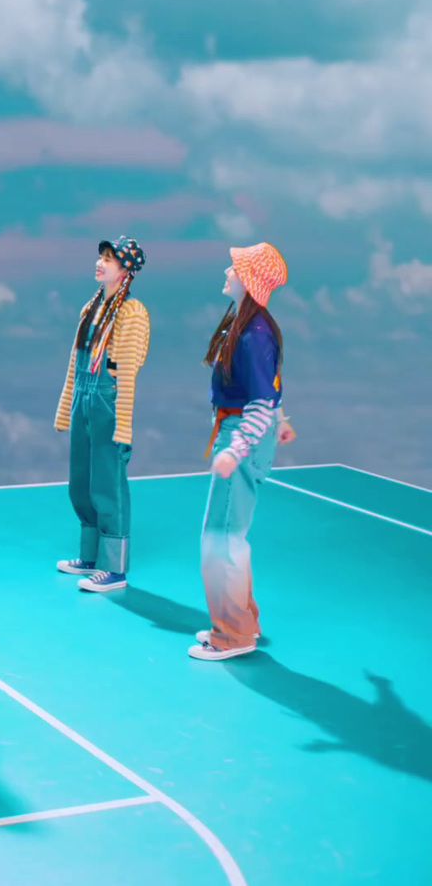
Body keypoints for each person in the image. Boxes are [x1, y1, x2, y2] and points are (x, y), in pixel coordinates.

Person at [191, 242, 296, 661]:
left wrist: (236, 449)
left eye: (234, 267)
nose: (227, 271)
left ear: (248, 280)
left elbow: (258, 403)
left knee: (223, 538)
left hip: (240, 434)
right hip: (240, 430)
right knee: (226, 535)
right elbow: (269, 388)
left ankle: (233, 635)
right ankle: (243, 622)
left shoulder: (253, 334)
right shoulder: (246, 323)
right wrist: (281, 420)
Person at [53, 235, 150, 592]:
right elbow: (72, 364)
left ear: (126, 271)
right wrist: (66, 409)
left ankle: (114, 567)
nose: (100, 263)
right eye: (101, 256)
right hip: (84, 398)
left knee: (109, 484)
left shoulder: (133, 313)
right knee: (81, 481)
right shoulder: (89, 309)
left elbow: (128, 372)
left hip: (108, 401)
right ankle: (91, 555)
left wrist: (123, 424)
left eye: (109, 259)